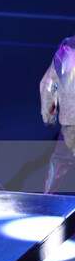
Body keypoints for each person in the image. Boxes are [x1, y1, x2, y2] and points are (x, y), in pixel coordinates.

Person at [40, 35, 75, 193]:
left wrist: (49, 116)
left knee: (60, 161)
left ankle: (48, 204)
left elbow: (49, 84)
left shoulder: (66, 48)